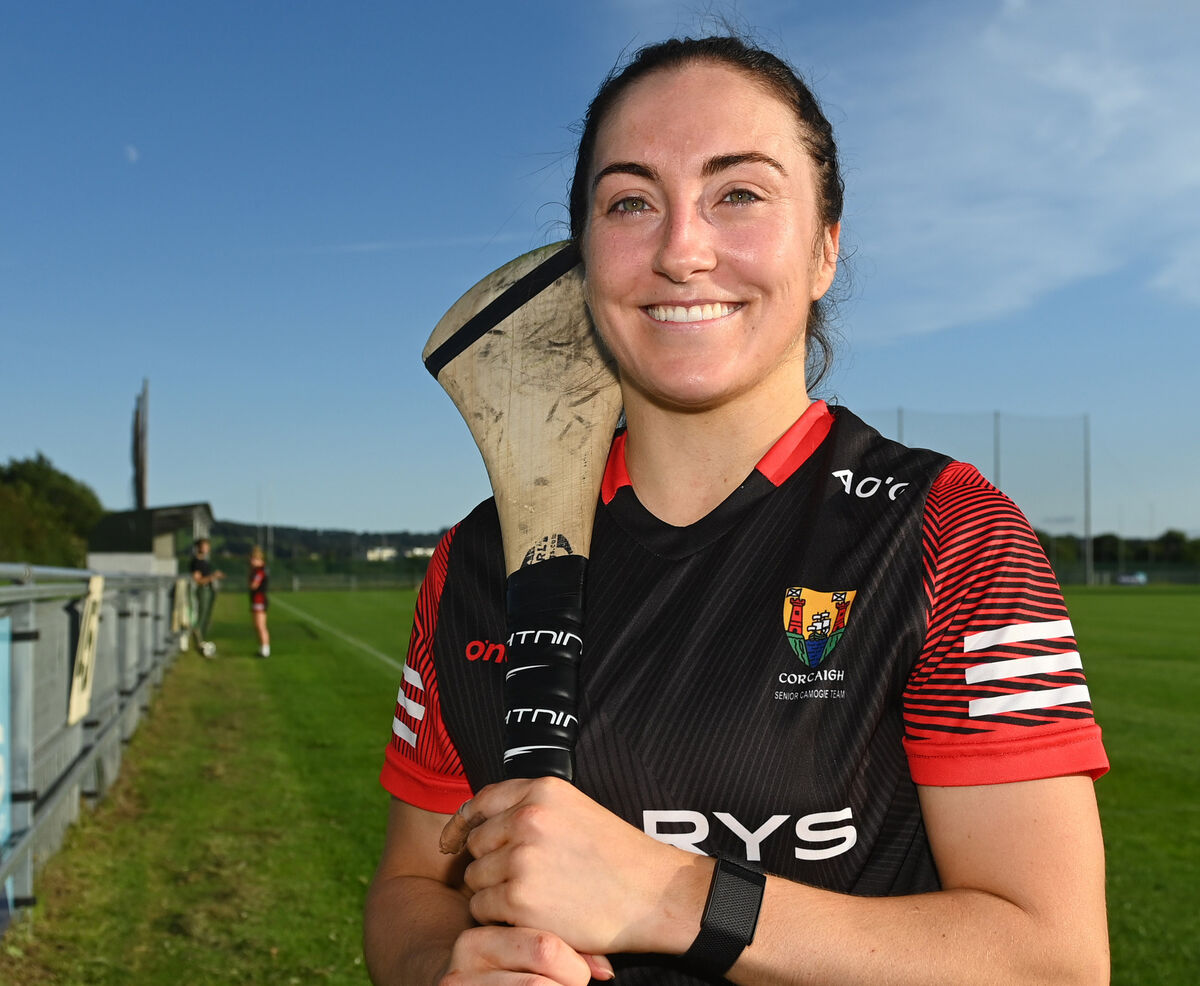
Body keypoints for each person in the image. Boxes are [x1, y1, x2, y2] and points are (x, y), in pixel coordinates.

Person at [364, 35, 1110, 986]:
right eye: (630, 201)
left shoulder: (947, 532)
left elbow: (1053, 961)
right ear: (585, 258)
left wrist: (670, 896)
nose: (682, 248)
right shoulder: (479, 561)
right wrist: (447, 965)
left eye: (740, 194)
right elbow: (406, 892)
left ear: (826, 247)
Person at [189, 537, 224, 658]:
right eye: (205, 546)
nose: (207, 548)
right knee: (201, 616)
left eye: (208, 546)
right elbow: (198, 580)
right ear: (199, 547)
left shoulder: (204, 561)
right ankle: (198, 643)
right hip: (203, 591)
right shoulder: (196, 562)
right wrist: (213, 576)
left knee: (206, 617)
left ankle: (202, 641)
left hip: (208, 590)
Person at [248, 545, 271, 658]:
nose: (251, 561)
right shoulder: (259, 570)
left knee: (261, 626)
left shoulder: (259, 571)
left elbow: (253, 585)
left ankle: (265, 650)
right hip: (257, 600)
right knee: (257, 626)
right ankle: (263, 648)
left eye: (253, 559)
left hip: (259, 600)